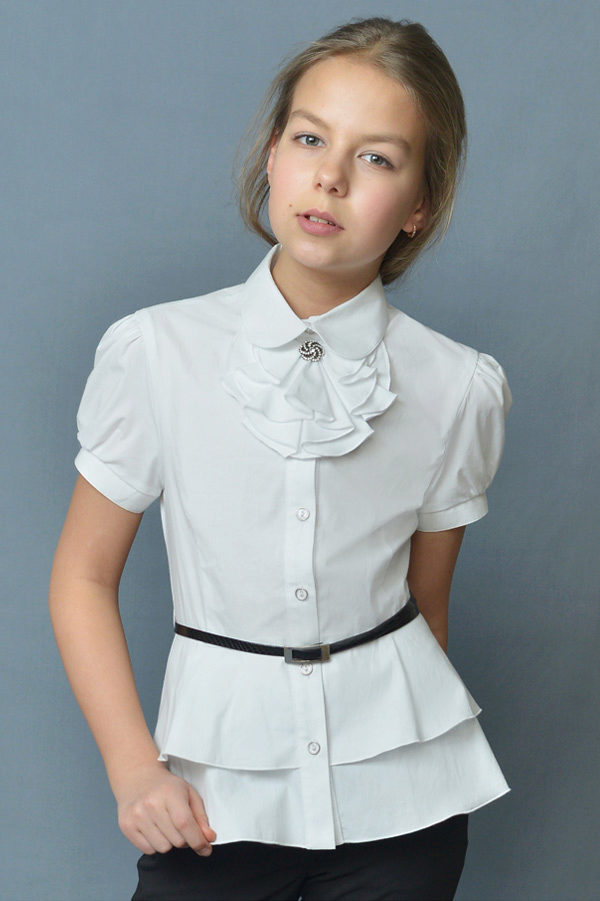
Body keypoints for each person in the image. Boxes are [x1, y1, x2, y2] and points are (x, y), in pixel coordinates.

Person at [49, 15, 513, 901]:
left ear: (420, 204)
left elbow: (426, 609)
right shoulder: (157, 352)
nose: (330, 176)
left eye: (376, 157)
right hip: (213, 799)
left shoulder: (459, 387)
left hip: (403, 806)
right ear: (272, 154)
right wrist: (133, 767)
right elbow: (81, 576)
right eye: (309, 139)